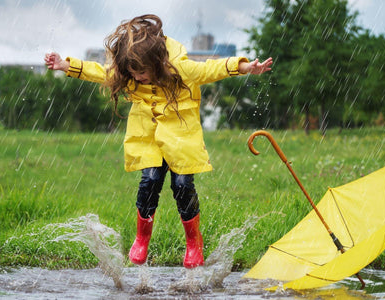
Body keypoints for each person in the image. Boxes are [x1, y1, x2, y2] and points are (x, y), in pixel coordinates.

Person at [44, 14, 273, 268]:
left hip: (181, 133)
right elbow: (101, 72)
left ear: (156, 64)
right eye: (133, 72)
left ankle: (194, 242)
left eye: (141, 72)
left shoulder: (180, 68)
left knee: (183, 185)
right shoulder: (130, 73)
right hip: (148, 134)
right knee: (150, 180)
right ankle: (141, 238)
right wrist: (66, 65)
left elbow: (212, 68)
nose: (137, 77)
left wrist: (246, 67)